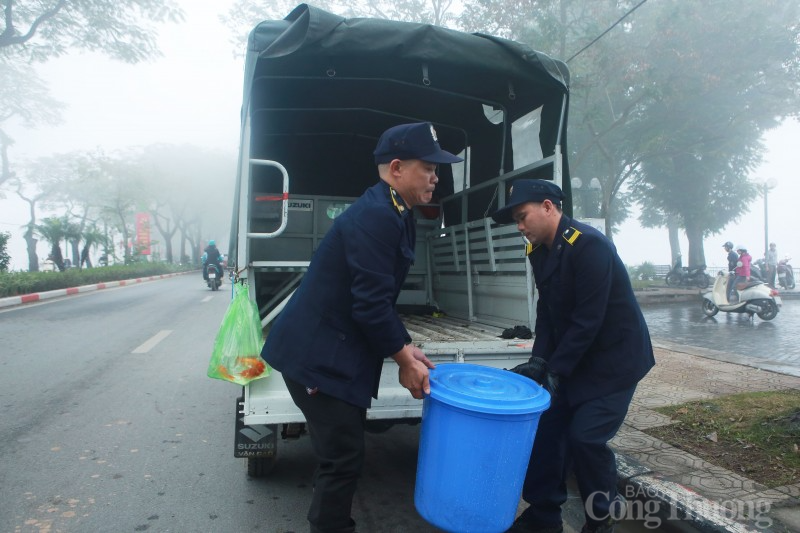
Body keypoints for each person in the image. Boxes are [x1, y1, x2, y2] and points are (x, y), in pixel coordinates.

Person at [260, 122, 463, 533]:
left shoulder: (396, 212)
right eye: (429, 167)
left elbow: (377, 298)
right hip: (317, 358)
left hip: (334, 351)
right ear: (396, 168)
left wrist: (406, 345)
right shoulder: (376, 216)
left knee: (344, 456)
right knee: (343, 459)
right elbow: (369, 305)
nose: (436, 176)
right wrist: (404, 360)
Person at [491, 179, 655, 533]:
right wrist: (539, 361)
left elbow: (588, 319)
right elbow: (548, 311)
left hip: (614, 362)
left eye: (523, 217)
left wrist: (556, 369)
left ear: (548, 207)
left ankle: (600, 521)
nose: (520, 227)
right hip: (578, 358)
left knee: (586, 438)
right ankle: (544, 516)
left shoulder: (590, 246)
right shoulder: (538, 250)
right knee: (547, 430)